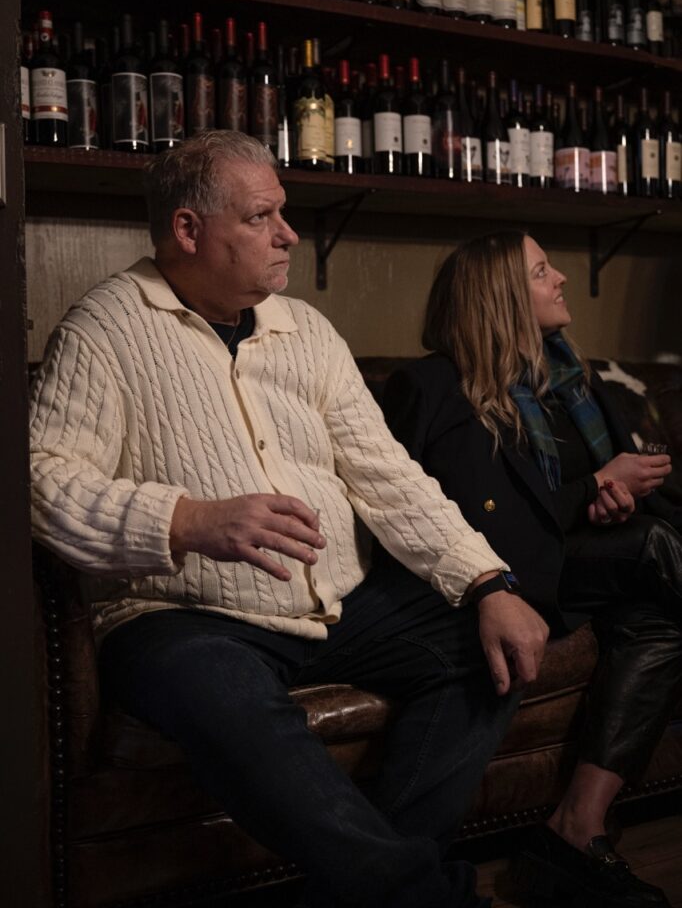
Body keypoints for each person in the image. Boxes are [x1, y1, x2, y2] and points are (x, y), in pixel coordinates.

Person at [29, 133, 548, 908]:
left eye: (285, 213)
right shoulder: (104, 329)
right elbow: (43, 484)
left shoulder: (307, 332)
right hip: (184, 615)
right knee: (223, 697)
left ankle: (369, 890)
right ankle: (423, 895)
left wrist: (486, 581)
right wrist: (189, 519)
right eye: (262, 216)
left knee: (492, 643)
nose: (289, 234)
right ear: (188, 230)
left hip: (341, 600)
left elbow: (386, 474)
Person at [381, 230, 682, 908]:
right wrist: (593, 490)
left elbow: (608, 498)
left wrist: (614, 495)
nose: (562, 280)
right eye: (543, 271)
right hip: (507, 578)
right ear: (502, 299)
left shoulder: (571, 378)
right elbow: (478, 529)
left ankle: (575, 828)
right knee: (653, 549)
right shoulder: (436, 386)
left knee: (657, 616)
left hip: (585, 564)